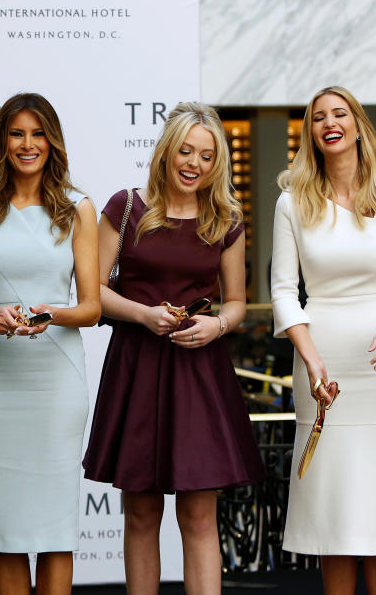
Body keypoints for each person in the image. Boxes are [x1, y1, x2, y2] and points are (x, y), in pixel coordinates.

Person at [82, 102, 263, 595]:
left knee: (200, 511)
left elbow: (238, 302)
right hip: (136, 366)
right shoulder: (125, 207)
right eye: (186, 151)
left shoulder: (224, 218)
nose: (195, 164)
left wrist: (217, 327)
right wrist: (143, 314)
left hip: (199, 370)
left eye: (207, 156)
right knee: (140, 510)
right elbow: (92, 291)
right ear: (166, 151)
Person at [271, 85, 376, 595]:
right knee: (334, 501)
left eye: (339, 114)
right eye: (318, 117)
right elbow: (282, 291)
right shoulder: (291, 202)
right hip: (321, 363)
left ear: (358, 125)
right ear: (311, 134)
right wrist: (311, 358)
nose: (329, 122)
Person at [0, 93, 99, 595]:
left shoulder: (78, 209)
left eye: (37, 134)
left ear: (52, 141)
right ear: (2, 142)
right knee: (4, 528)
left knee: (54, 529)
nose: (27, 145)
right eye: (16, 134)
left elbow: (92, 307)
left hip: (54, 381)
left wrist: (46, 314)